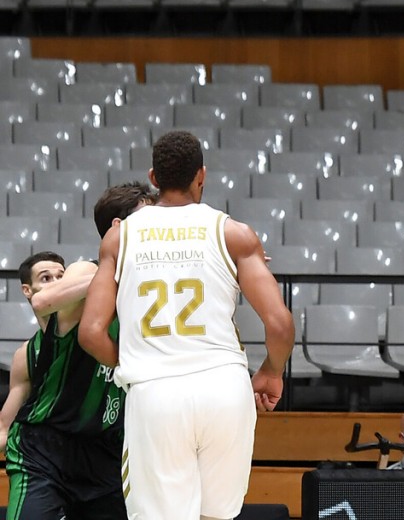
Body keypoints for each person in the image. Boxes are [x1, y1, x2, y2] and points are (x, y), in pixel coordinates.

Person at [79, 131, 296, 520]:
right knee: (216, 516)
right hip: (225, 388)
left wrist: (133, 359)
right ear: (202, 176)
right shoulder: (233, 233)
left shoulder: (119, 237)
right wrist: (271, 371)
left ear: (154, 177)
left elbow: (91, 333)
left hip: (156, 393)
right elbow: (279, 324)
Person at [1, 181, 157, 520]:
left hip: (104, 450)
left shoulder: (152, 282)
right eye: (150, 218)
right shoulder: (90, 271)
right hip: (47, 448)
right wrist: (118, 269)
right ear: (120, 227)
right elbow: (44, 301)